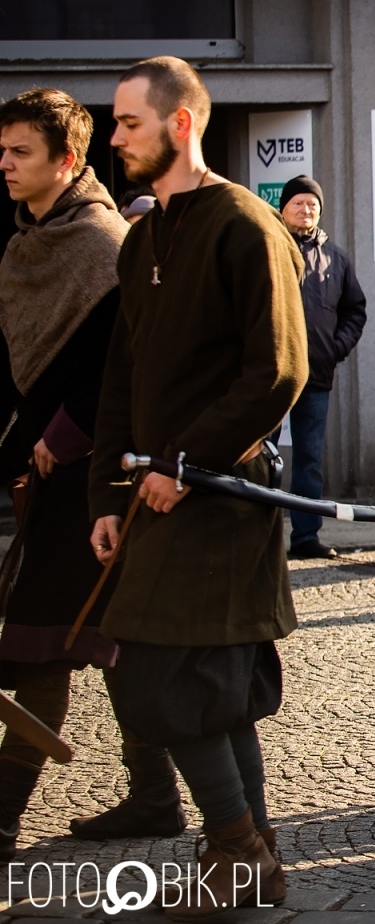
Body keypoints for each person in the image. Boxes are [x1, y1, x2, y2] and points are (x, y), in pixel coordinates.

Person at [90, 56, 307, 913]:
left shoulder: (246, 226)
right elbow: (121, 378)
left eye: (128, 123)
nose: (115, 138)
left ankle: (235, 853)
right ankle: (251, 860)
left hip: (223, 497)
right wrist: (108, 495)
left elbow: (278, 372)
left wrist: (188, 462)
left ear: (181, 123)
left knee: (160, 678)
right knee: (210, 692)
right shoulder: (143, 236)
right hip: (150, 495)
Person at [0, 89, 156, 860]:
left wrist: (61, 439)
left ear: (66, 161)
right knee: (95, 639)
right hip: (41, 477)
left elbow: (119, 369)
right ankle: (155, 793)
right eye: (2, 150)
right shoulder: (26, 241)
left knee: (46, 643)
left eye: (19, 152)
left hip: (94, 474)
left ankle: (1, 818)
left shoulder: (103, 242)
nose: (3, 164)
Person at [276, 175, 366, 559]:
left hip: (316, 374)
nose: (306, 209)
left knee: (310, 460)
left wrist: (335, 348)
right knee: (262, 458)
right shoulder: (268, 249)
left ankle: (306, 537)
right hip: (271, 376)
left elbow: (355, 310)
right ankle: (259, 538)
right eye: (298, 203)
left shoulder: (336, 258)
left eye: (312, 204)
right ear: (282, 208)